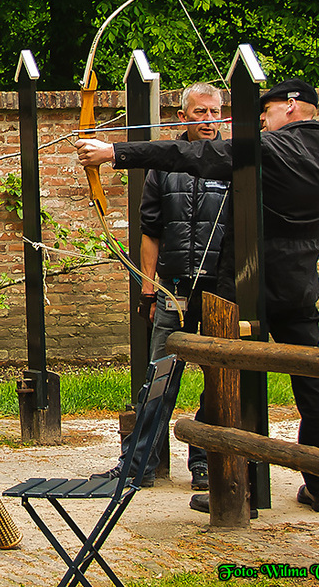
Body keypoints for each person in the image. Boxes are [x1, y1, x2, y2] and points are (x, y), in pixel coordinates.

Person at [76, 78, 319, 514]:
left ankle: (242, 493)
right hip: (299, 287)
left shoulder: (271, 148)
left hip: (249, 287)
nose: (263, 119)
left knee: (233, 384)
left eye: (268, 111)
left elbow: (189, 154)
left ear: (292, 106)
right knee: (312, 385)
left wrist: (115, 152)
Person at [100, 83, 230, 489]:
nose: (209, 121)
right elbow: (151, 231)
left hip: (220, 294)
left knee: (219, 382)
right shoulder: (164, 163)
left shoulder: (233, 159)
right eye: (200, 113)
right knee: (158, 379)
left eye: (215, 113)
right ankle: (138, 465)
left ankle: (204, 461)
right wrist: (148, 289)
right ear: (183, 116)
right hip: (174, 290)